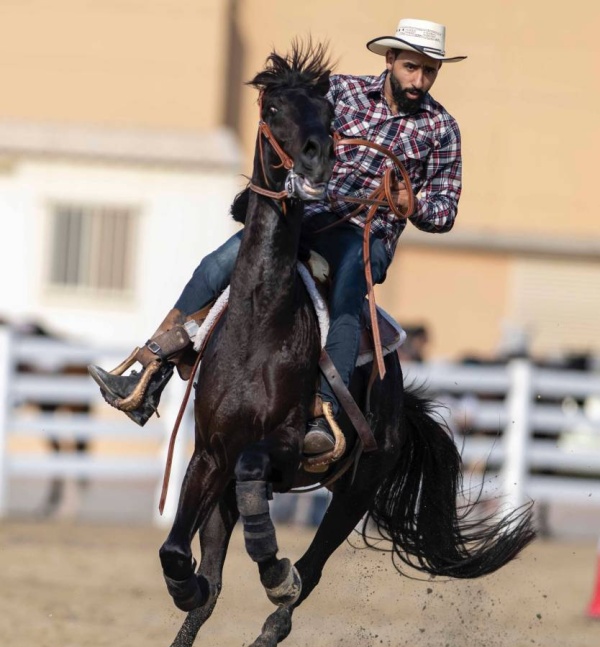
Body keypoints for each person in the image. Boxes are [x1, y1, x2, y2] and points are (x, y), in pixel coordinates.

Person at [89, 17, 466, 459]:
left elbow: (445, 213)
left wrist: (412, 203)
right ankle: (149, 371)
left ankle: (324, 414)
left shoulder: (442, 129)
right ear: (389, 60)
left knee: (347, 298)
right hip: (304, 217)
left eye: (429, 71)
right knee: (219, 263)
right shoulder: (340, 92)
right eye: (411, 67)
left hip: (366, 238)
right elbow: (294, 126)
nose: (419, 79)